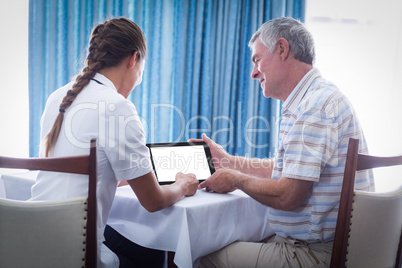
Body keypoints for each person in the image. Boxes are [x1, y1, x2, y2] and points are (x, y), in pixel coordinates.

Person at [195, 17, 375, 267]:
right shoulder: (313, 99)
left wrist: (235, 178)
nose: (253, 72)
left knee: (200, 257)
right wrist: (229, 162)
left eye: (257, 60)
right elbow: (290, 174)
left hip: (316, 254)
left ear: (282, 49)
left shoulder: (316, 107)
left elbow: (288, 195)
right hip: (322, 246)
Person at [30, 17, 199, 268]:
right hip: (74, 251)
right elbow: (152, 202)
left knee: (141, 248)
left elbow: (86, 169)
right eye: (142, 68)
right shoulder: (118, 106)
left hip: (32, 236)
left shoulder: (57, 97)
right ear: (134, 59)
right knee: (155, 249)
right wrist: (183, 185)